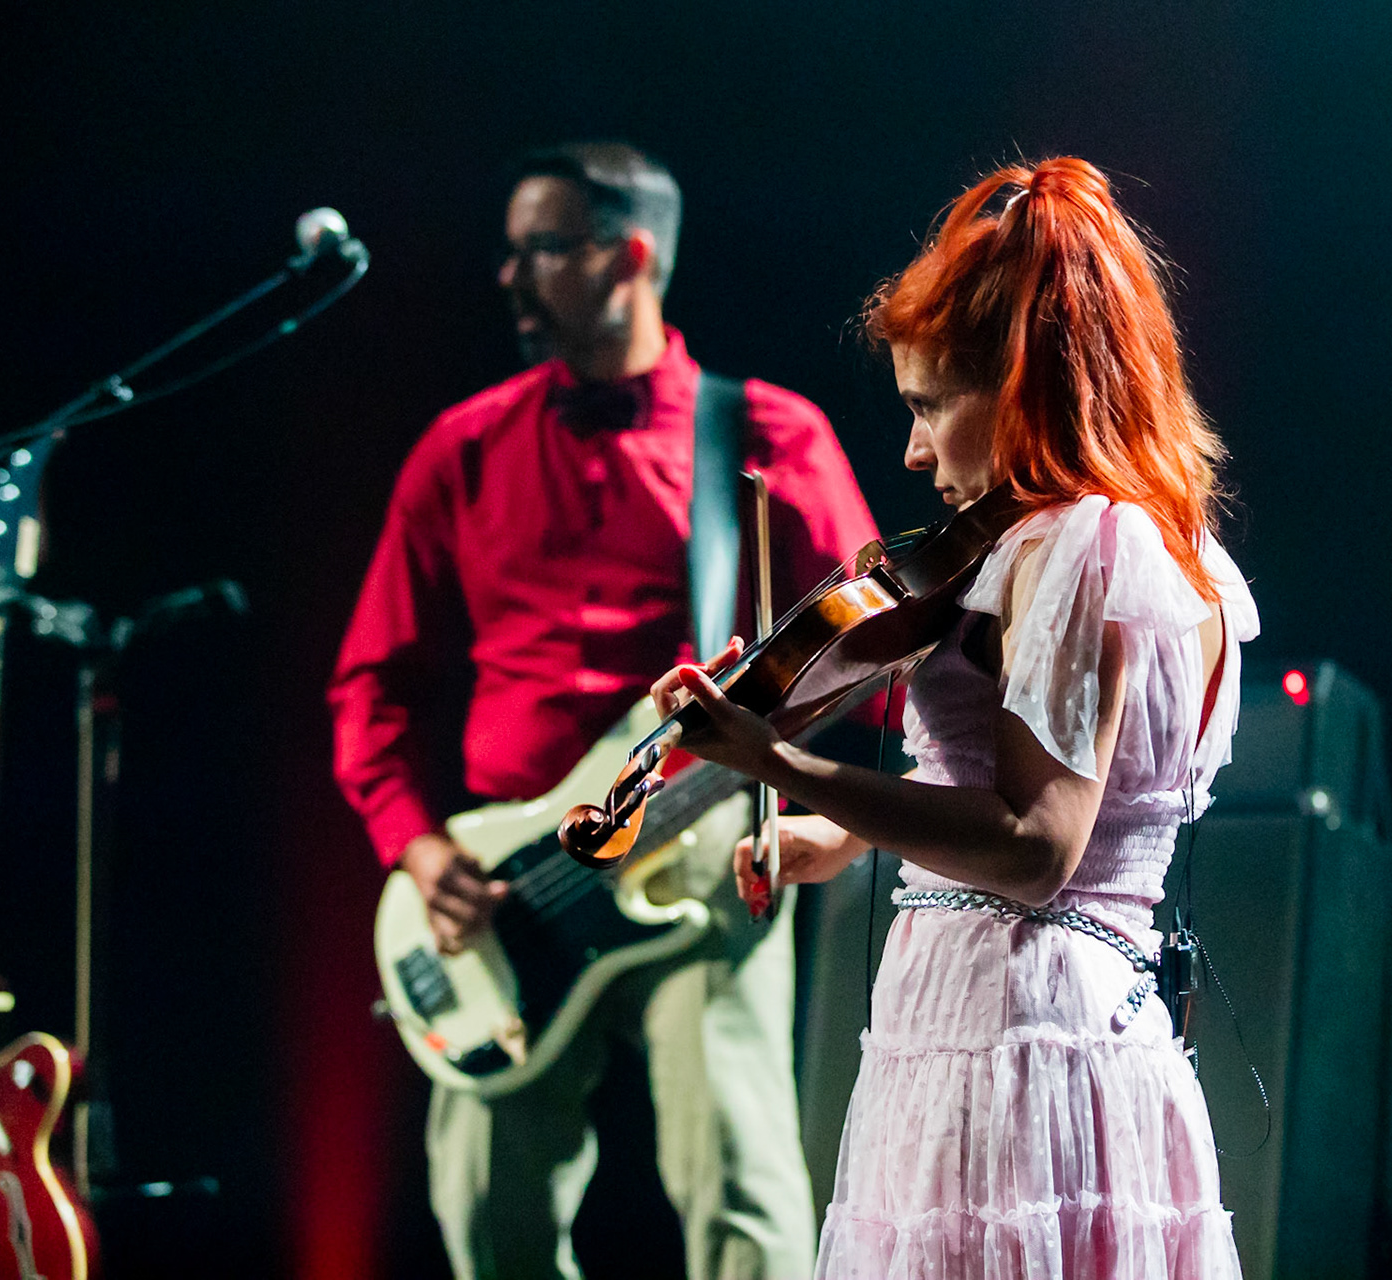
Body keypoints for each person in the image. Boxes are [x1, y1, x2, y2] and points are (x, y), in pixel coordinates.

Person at [650, 157, 1258, 1280]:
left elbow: (1038, 850)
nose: (913, 451)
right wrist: (837, 833)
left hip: (1021, 1030)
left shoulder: (1086, 545)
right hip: (1021, 1022)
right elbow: (1036, 789)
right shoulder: (1144, 545)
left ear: (1029, 380)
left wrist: (782, 758)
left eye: (930, 407)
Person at [329, 141, 882, 1280]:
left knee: (742, 1190)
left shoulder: (768, 437)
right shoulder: (462, 447)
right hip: (509, 880)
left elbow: (877, 653)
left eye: (538, 249)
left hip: (703, 845)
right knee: (487, 1211)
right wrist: (416, 846)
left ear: (628, 255)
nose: (509, 276)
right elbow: (370, 683)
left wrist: (844, 803)